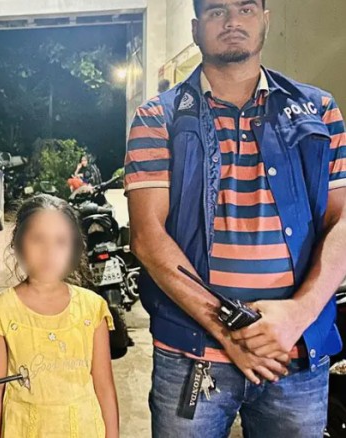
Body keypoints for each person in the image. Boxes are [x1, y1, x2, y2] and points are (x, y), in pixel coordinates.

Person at [125, 0, 346, 436]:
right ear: (195, 29)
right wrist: (230, 332)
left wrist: (296, 316)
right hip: (192, 356)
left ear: (265, 20)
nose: (231, 22)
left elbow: (342, 223)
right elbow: (147, 236)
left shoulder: (318, 110)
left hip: (294, 353)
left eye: (245, 9)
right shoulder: (159, 117)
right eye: (216, 11)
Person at [0, 195, 119, 438]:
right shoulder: (3, 309)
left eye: (60, 241)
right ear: (17, 243)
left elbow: (104, 387)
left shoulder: (92, 308)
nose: (49, 252)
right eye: (38, 239)